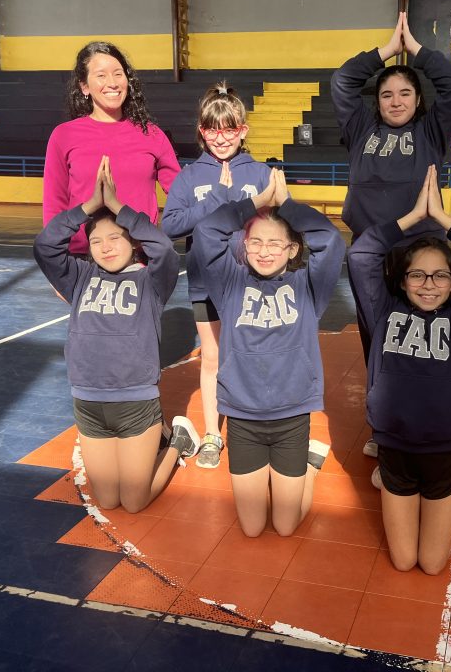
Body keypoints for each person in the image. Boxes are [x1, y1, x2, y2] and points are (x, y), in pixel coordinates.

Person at [348, 166, 451, 574]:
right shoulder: (383, 311)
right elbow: (361, 254)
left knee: (433, 565)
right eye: (417, 274)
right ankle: (390, 483)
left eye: (440, 276)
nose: (429, 284)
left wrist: (446, 221)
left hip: (444, 454)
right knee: (402, 562)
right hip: (395, 450)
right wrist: (413, 218)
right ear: (402, 280)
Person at [332, 11, 451, 457]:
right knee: (377, 340)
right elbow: (342, 81)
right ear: (377, 101)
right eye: (387, 94)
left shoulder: (432, 131)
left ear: (418, 99)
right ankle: (384, 424)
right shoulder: (360, 128)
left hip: (421, 254)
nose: (395, 101)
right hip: (371, 256)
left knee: (425, 340)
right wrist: (385, 53)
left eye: (405, 93)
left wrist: (418, 52)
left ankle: (432, 417)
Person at [34, 158, 199, 513]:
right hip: (89, 404)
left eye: (114, 238)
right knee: (108, 501)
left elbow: (164, 249)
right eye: (96, 241)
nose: (105, 247)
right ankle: (164, 442)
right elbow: (45, 246)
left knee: (134, 502)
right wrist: (88, 207)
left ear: (133, 242)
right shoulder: (79, 278)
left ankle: (178, 442)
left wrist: (118, 207)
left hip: (135, 404)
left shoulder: (151, 282)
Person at [192, 169, 345, 537]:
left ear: (293, 249)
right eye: (256, 242)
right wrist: (256, 203)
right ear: (244, 245)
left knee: (285, 526)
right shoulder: (229, 283)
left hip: (291, 417)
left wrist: (287, 205)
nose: (264, 251)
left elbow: (330, 239)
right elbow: (206, 232)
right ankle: (293, 472)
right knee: (252, 527)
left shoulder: (308, 286)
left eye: (276, 243)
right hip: (243, 418)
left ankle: (308, 467)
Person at [162, 82, 272, 470]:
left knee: (252, 356)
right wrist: (213, 200)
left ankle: (254, 428)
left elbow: (279, 224)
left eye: (229, 129)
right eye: (212, 129)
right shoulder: (190, 177)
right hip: (205, 283)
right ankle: (212, 433)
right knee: (212, 357)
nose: (221, 138)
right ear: (201, 131)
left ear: (243, 130)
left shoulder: (261, 173)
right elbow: (170, 225)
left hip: (252, 283)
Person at [43, 41, 180, 255]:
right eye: (101, 75)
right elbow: (54, 205)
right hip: (82, 260)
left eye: (118, 74)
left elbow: (181, 192)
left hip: (141, 259)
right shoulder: (63, 135)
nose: (112, 83)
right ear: (84, 86)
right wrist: (55, 259)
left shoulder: (152, 135)